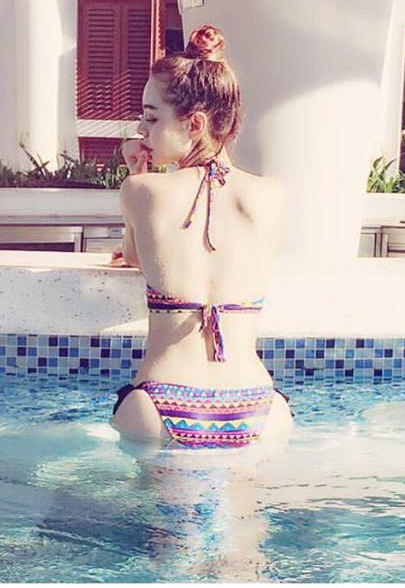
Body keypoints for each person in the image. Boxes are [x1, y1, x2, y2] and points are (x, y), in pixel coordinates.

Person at [109, 23, 293, 449]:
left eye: (151, 117)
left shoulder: (142, 190)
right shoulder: (272, 194)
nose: (141, 130)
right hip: (256, 404)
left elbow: (136, 258)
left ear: (194, 123)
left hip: (162, 403)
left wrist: (138, 172)